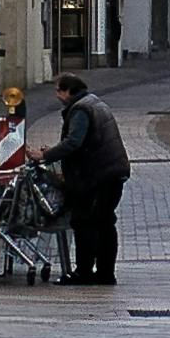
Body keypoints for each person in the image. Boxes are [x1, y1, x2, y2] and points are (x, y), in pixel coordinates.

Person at [53, 78, 131, 285]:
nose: (56, 96)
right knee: (104, 222)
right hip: (111, 171)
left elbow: (73, 142)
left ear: (68, 91)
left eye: (58, 91)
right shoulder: (94, 102)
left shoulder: (80, 110)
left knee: (85, 221)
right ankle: (105, 273)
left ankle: (84, 272)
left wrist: (46, 156)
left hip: (98, 175)